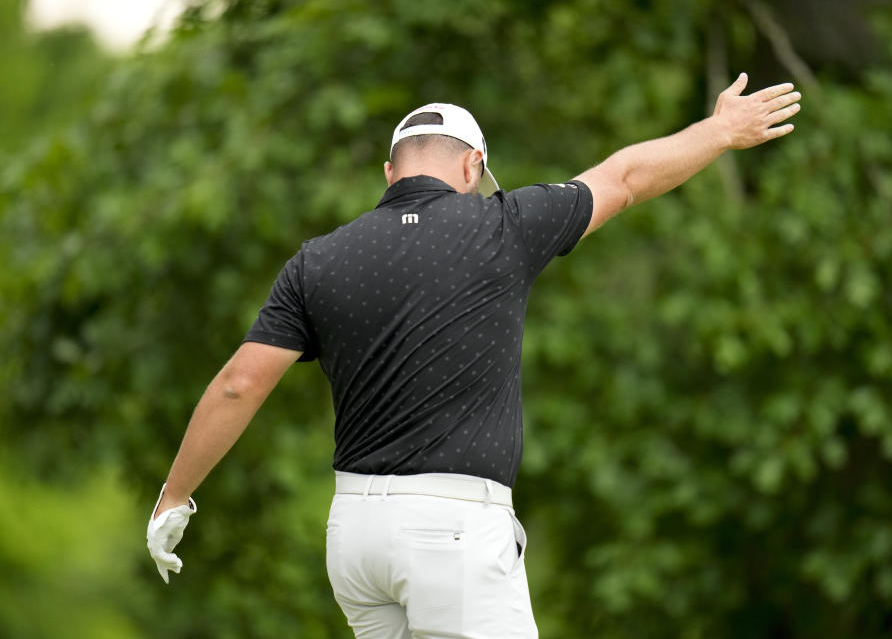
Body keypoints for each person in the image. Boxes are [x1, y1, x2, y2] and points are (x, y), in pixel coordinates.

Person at [147, 73, 801, 638]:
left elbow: (239, 384)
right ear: (472, 167)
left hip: (353, 537)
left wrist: (175, 496)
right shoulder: (502, 225)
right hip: (452, 532)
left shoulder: (317, 261)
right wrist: (719, 130)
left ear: (389, 172)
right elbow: (624, 179)